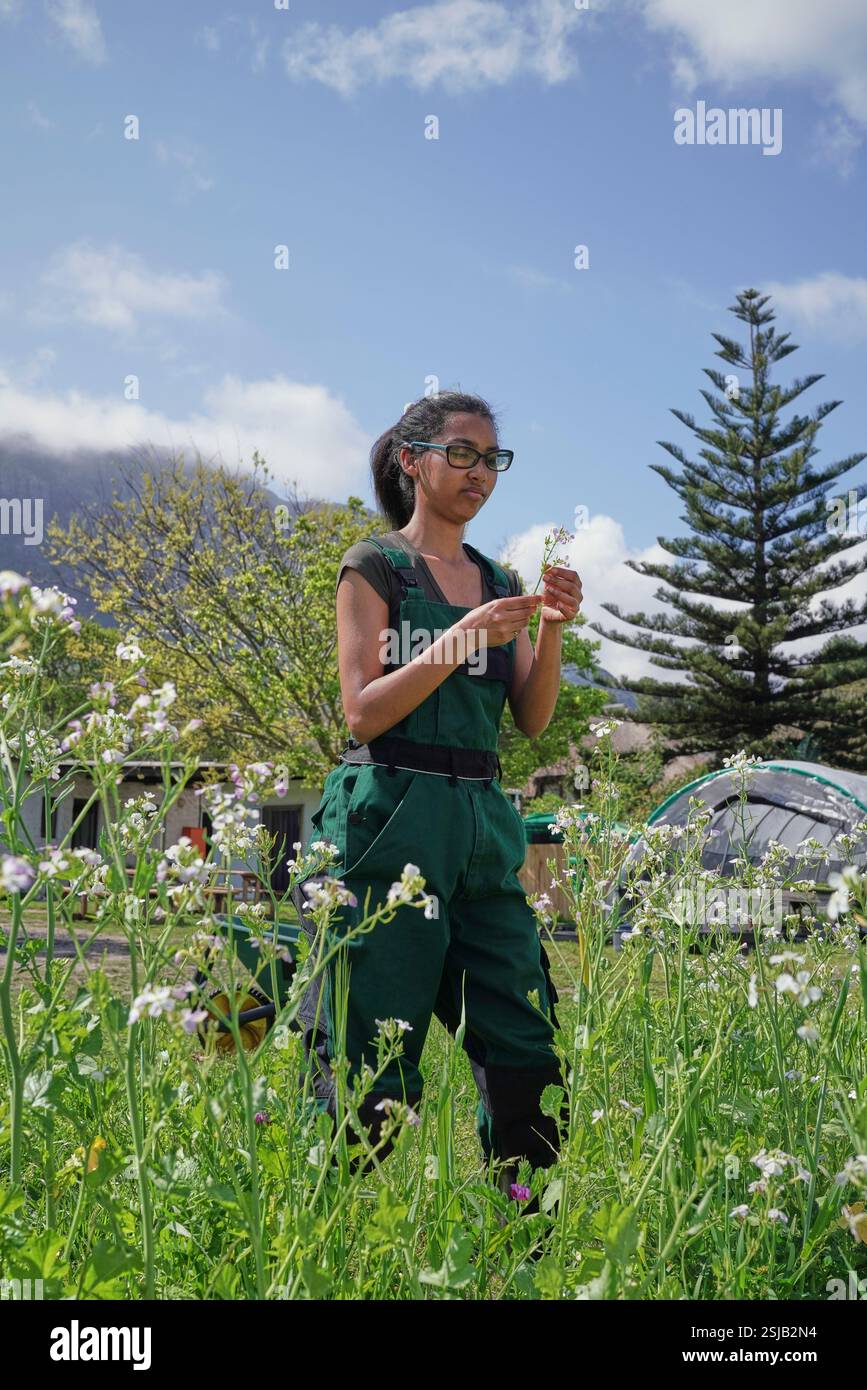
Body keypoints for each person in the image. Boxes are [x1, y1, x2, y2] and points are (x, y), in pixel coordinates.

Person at [291, 390, 583, 1210]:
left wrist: (551, 626)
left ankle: (522, 1241)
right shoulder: (372, 565)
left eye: (491, 458)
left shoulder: (496, 581)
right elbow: (362, 709)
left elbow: (530, 720)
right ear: (410, 460)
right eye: (460, 453)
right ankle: (332, 1241)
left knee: (526, 1040)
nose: (478, 472)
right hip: (389, 819)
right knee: (369, 1062)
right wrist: (460, 638)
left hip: (482, 830)